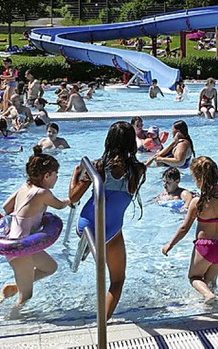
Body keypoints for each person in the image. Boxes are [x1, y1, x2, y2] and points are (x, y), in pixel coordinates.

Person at [69, 121, 147, 319]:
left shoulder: (97, 167)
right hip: (110, 230)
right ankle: (102, 322)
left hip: (86, 225)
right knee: (117, 280)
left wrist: (75, 175)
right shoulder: (138, 170)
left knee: (95, 234)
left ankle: (89, 245)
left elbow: (73, 198)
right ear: (132, 143)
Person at [0, 146, 70, 306]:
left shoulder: (25, 187)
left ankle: (12, 288)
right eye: (56, 174)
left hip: (24, 244)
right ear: (47, 176)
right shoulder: (42, 193)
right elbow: (60, 205)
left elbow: (6, 207)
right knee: (26, 296)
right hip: (19, 249)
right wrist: (70, 200)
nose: (57, 177)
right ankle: (12, 321)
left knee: (50, 267)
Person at [161, 156, 218, 303]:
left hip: (205, 247)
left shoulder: (197, 202)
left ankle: (208, 296)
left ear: (198, 178)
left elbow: (184, 228)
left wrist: (170, 244)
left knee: (194, 277)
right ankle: (211, 307)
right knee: (211, 281)